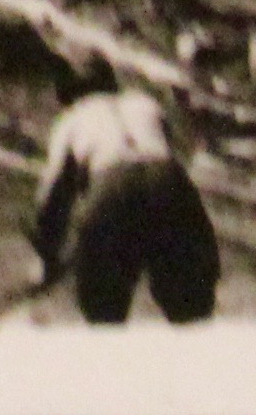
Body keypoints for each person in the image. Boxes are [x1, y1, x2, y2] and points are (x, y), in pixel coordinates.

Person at [32, 61, 219, 325]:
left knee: (104, 309)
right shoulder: (145, 103)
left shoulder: (72, 119)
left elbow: (51, 197)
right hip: (168, 180)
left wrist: (48, 255)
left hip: (111, 185)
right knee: (191, 306)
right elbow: (178, 153)